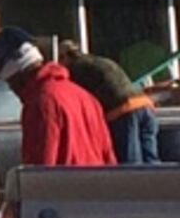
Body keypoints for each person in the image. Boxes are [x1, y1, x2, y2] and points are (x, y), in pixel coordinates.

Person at [0, 29, 116, 172]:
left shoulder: (40, 102)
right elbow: (109, 158)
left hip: (64, 191)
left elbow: (40, 169)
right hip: (99, 189)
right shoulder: (85, 96)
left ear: (18, 76)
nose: (12, 90)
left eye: (9, 83)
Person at [66, 37, 164, 166]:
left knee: (131, 163)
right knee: (151, 158)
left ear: (65, 57)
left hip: (123, 111)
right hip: (145, 104)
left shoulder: (76, 69)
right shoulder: (100, 61)